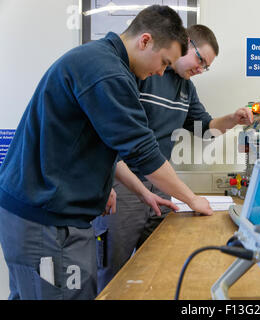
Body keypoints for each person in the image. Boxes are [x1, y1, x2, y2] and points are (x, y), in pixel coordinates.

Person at [0, 5, 212, 300]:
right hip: (47, 221)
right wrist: (192, 199)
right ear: (145, 41)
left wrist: (141, 192)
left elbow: (109, 146)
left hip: (33, 213)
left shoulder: (101, 60)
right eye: (163, 62)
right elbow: (142, 150)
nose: (161, 72)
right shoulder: (107, 71)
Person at [93, 24, 254, 293]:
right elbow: (108, 132)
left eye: (206, 67)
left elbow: (207, 129)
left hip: (161, 185)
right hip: (124, 185)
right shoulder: (142, 71)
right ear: (184, 43)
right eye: (200, 60)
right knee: (113, 271)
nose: (200, 70)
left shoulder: (186, 88)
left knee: (158, 263)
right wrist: (107, 180)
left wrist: (233, 119)